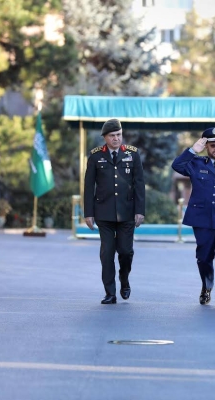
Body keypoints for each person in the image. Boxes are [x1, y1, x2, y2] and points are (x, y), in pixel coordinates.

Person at [171, 127, 215, 308]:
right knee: (204, 258)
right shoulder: (196, 164)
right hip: (202, 220)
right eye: (212, 145)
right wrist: (193, 150)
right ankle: (206, 286)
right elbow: (177, 165)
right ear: (207, 147)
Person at [84, 118, 145, 304]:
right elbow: (89, 186)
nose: (117, 139)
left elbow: (139, 184)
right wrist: (88, 213)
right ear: (105, 137)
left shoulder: (132, 155)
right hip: (104, 212)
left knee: (126, 252)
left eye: (119, 135)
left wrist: (140, 210)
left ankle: (124, 279)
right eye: (112, 136)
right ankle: (110, 292)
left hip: (127, 212)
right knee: (107, 253)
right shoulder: (95, 156)